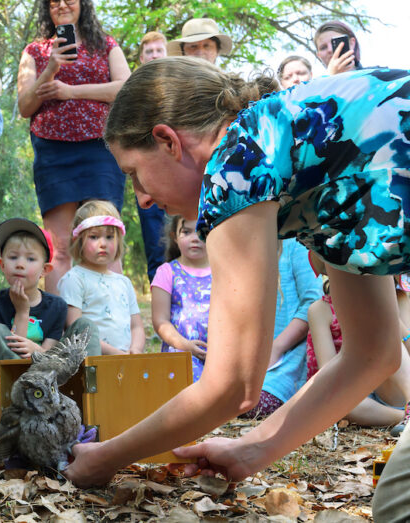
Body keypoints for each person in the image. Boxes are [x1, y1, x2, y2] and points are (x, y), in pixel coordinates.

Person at [62, 58, 410, 488]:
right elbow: (372, 354)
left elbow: (232, 388)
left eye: (134, 173)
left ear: (168, 140)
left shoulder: (236, 162)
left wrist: (105, 457)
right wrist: (255, 448)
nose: (143, 199)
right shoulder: (310, 164)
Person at [16, 0, 130, 293]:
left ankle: (112, 323)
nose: (62, 5)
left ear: (83, 5)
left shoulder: (105, 44)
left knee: (106, 235)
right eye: (55, 1)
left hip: (100, 149)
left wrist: (71, 92)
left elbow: (126, 88)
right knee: (61, 246)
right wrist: (50, 68)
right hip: (53, 152)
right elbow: (25, 106)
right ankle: (60, 326)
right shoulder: (35, 51)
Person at [0, 218, 99, 372]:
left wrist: (36, 350)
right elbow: (11, 352)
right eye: (13, 257)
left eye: (30, 259)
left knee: (85, 325)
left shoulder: (56, 306)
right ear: (2, 265)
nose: (20, 264)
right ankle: (20, 390)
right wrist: (22, 311)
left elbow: (49, 353)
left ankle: (90, 386)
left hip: (49, 370)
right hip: (14, 376)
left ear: (45, 270)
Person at [306, 257, 410, 429]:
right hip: (357, 392)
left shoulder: (400, 299)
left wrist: (391, 321)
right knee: (341, 405)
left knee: (384, 336)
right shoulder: (320, 310)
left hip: (395, 388)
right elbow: (328, 373)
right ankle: (402, 418)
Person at [240, 239, 322, 418]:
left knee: (249, 403)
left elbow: (313, 302)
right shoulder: (244, 246)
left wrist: (276, 349)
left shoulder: (295, 245)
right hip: (252, 358)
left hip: (289, 356)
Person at [58, 200, 144, 355]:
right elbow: (74, 328)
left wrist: (136, 349)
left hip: (125, 361)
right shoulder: (74, 279)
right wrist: (114, 354)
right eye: (94, 237)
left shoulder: (124, 282)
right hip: (92, 363)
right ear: (78, 241)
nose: (103, 243)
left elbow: (136, 326)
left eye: (110, 237)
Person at [150, 215, 210, 381]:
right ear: (174, 236)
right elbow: (160, 321)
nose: (195, 238)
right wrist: (184, 345)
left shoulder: (221, 271)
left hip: (217, 354)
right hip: (180, 354)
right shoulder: (167, 272)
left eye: (202, 231)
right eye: (186, 232)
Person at [136, 31, 168, 283]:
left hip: (186, 176)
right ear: (141, 58)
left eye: (159, 50)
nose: (155, 55)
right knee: (156, 247)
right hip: (149, 179)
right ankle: (161, 318)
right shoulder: (133, 92)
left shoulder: (182, 86)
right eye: (150, 51)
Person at [166, 18, 233, 64]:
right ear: (183, 52)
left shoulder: (230, 84)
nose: (200, 52)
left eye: (206, 46)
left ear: (217, 51)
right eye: (193, 46)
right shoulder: (170, 83)